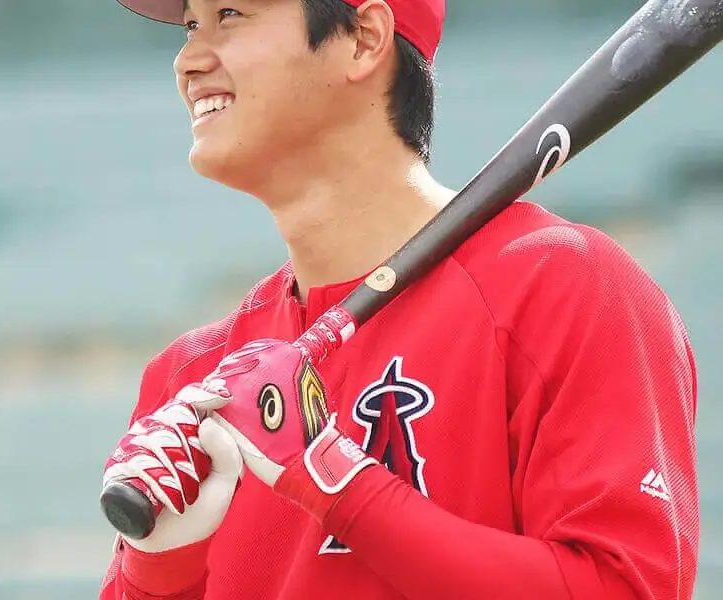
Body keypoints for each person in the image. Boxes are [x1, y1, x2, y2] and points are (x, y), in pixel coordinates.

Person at [98, 1, 700, 599]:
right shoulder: (192, 377)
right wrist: (157, 565)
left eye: (229, 14)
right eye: (190, 26)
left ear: (364, 38)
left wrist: (335, 479)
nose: (189, 60)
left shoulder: (562, 286)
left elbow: (625, 589)